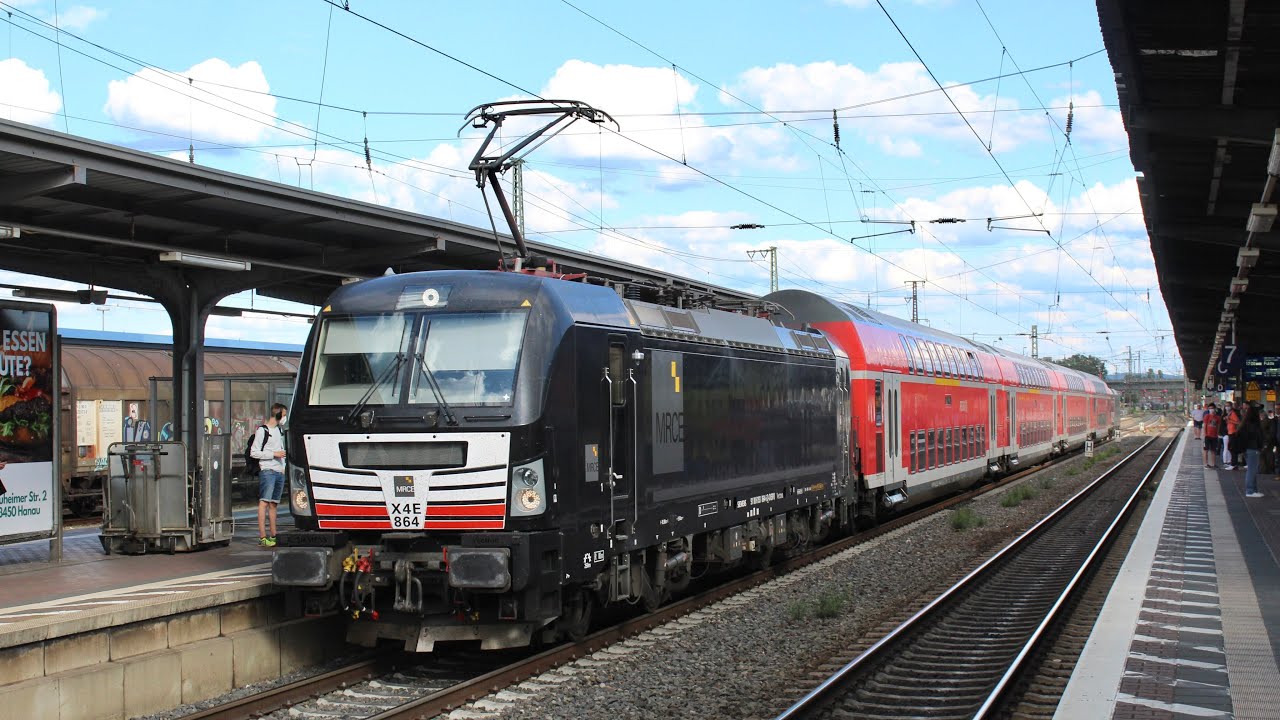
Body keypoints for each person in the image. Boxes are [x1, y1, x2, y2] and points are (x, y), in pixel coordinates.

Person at [251, 403, 288, 547]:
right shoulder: (262, 431)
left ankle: (274, 535)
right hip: (268, 470)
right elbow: (254, 452)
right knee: (264, 502)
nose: (285, 418)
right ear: (278, 414)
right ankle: (262, 536)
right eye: (284, 415)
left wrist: (283, 467)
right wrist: (274, 454)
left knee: (274, 504)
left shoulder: (279, 430)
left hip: (279, 471)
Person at [1242, 405, 1264, 498]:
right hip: (1253, 449)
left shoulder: (1245, 423)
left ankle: (1254, 490)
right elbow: (1258, 437)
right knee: (1252, 470)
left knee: (1252, 470)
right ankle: (1250, 491)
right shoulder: (1254, 425)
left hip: (1247, 449)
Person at [1223, 401, 1242, 470]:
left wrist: (1229, 420)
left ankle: (1233, 464)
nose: (1226, 407)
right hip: (1230, 433)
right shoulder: (1229, 414)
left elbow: (1238, 422)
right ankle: (1234, 464)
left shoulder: (1233, 413)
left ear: (1231, 406)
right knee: (1231, 449)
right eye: (1225, 406)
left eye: (1228, 406)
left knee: (1232, 449)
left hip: (1233, 433)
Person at [1203, 403, 1221, 469]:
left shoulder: (1218, 417)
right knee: (1206, 450)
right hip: (1208, 436)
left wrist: (1217, 434)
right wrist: (1205, 434)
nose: (1211, 410)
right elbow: (1205, 426)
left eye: (1212, 408)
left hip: (1214, 436)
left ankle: (1213, 464)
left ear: (1215, 409)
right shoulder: (1207, 416)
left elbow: (1218, 426)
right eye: (1210, 408)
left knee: (1213, 450)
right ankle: (1206, 464)